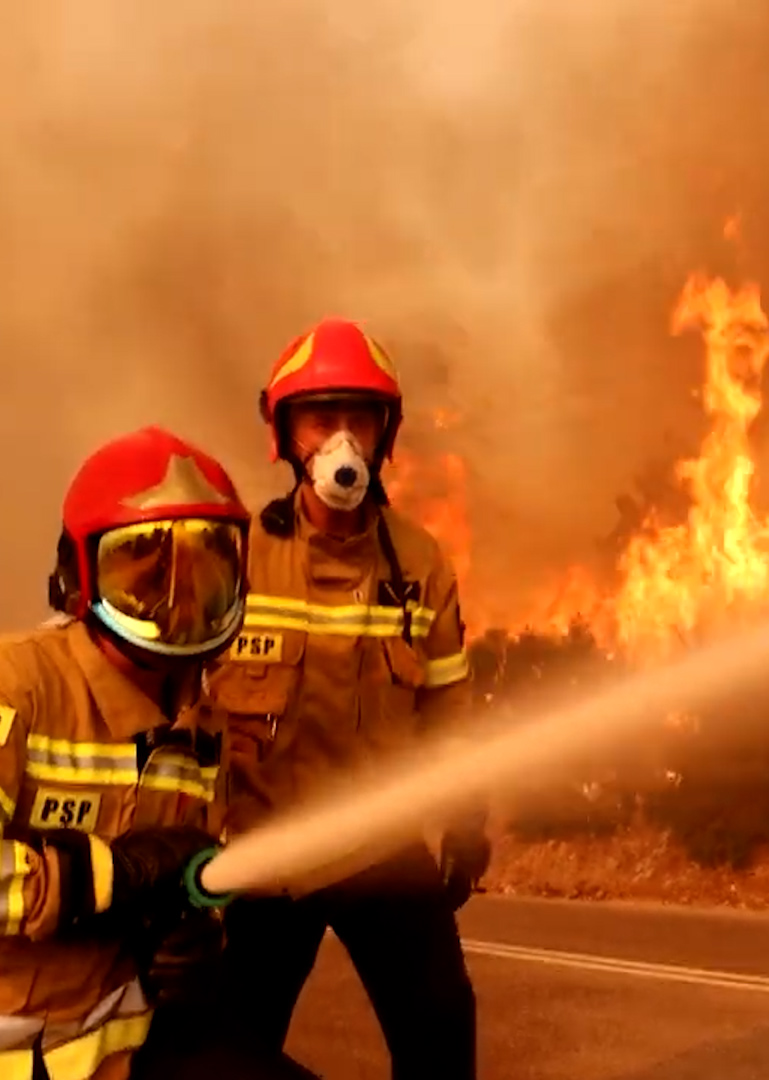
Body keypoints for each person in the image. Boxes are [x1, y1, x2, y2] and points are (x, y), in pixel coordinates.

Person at [0, 425, 318, 1080]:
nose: (179, 597)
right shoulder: (5, 685)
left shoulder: (199, 721)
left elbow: (183, 871)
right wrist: (115, 875)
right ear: (79, 576)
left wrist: (190, 935)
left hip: (112, 1047)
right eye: (147, 567)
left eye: (208, 565)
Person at [202, 319, 488, 1080]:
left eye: (357, 418)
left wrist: (464, 818)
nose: (340, 439)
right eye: (320, 418)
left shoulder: (421, 564)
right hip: (266, 856)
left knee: (441, 1033)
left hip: (380, 849)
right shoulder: (235, 555)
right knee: (229, 1049)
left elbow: (449, 711)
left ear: (384, 433)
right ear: (285, 432)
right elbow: (182, 704)